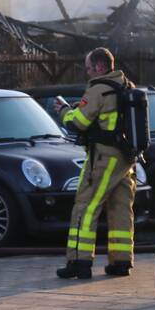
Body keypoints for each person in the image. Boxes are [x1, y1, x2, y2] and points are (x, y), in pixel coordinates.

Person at [54, 47, 136, 279]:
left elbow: (78, 122)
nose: (87, 72)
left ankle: (79, 262)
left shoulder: (99, 89)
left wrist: (64, 111)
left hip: (104, 158)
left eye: (89, 68)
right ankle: (121, 261)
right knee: (121, 208)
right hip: (126, 160)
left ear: (100, 67)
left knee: (85, 206)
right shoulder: (127, 85)